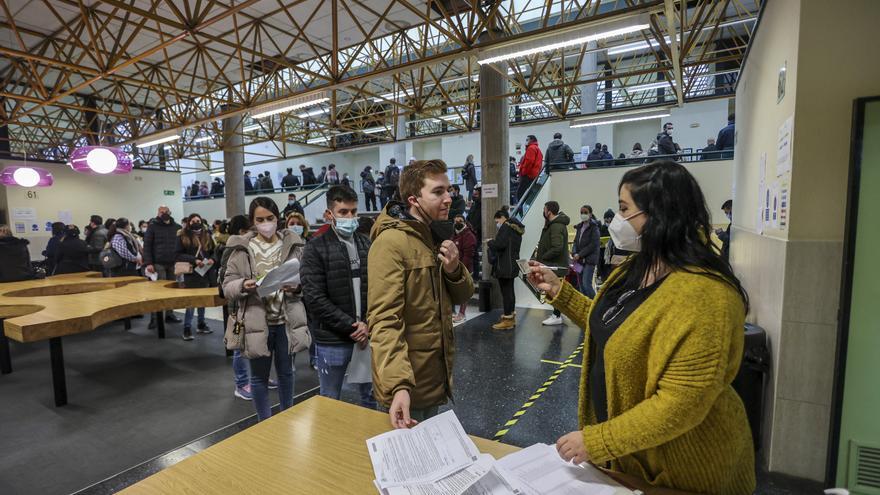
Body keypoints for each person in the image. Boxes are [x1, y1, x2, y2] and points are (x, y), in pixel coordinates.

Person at [526, 160, 755, 494]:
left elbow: (680, 404)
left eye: (624, 209)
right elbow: (619, 327)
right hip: (633, 458)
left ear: (660, 214)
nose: (618, 220)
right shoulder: (638, 265)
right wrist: (562, 292)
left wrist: (598, 440)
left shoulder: (706, 295)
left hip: (683, 469)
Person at [368, 159, 474, 428]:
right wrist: (398, 386)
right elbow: (384, 321)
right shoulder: (390, 243)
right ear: (414, 199)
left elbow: (463, 296)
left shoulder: (433, 236)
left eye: (448, 190)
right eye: (438, 192)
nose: (448, 198)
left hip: (432, 379)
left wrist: (453, 269)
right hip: (406, 388)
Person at [221, 197, 310, 421]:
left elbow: (309, 280)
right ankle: (265, 422)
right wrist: (243, 285)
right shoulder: (241, 249)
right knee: (259, 377)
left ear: (277, 218)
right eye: (260, 219)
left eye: (270, 218)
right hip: (256, 321)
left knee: (287, 373)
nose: (266, 223)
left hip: (285, 320)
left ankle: (286, 418)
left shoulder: (294, 244)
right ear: (252, 221)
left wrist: (298, 287)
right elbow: (227, 286)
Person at [302, 186, 375, 409]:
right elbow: (314, 298)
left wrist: (368, 324)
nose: (350, 217)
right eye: (343, 212)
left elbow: (377, 290)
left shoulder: (366, 244)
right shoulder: (315, 248)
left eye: (354, 212)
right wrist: (351, 326)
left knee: (371, 397)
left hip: (366, 336)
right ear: (329, 214)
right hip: (333, 339)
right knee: (330, 400)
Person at [216, 214, 253, 400]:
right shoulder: (233, 249)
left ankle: (254, 378)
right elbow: (227, 281)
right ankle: (241, 383)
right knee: (238, 345)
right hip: (236, 306)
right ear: (242, 231)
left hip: (250, 304)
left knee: (256, 343)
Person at [175, 213, 216, 341]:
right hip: (191, 273)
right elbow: (178, 255)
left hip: (205, 272)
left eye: (198, 220)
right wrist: (194, 260)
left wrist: (212, 259)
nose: (196, 222)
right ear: (188, 223)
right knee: (191, 302)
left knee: (202, 301)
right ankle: (187, 328)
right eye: (193, 221)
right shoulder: (182, 236)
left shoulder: (207, 235)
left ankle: (201, 324)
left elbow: (214, 252)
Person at [144, 206, 184, 329]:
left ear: (170, 212)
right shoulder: (152, 227)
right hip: (158, 263)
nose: (163, 214)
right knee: (157, 292)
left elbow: (181, 245)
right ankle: (155, 318)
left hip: (173, 263)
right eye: (161, 212)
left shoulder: (177, 227)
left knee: (172, 290)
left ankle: (170, 314)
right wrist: (148, 263)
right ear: (157, 213)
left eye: (165, 212)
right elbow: (147, 246)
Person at [487, 208, 524, 330]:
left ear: (502, 217)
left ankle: (507, 319)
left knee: (506, 293)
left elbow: (500, 245)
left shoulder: (506, 227)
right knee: (510, 292)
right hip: (512, 264)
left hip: (504, 265)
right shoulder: (516, 228)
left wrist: (490, 242)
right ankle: (510, 316)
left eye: (497, 221)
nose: (497, 223)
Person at [535, 201, 570, 326]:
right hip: (553, 264)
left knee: (555, 291)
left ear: (549, 211)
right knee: (554, 291)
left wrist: (543, 258)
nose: (544, 211)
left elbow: (557, 247)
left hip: (555, 265)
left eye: (545, 209)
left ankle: (557, 315)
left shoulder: (556, 226)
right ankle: (556, 314)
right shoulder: (554, 225)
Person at [451, 214, 476, 324]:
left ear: (464, 222)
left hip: (465, 268)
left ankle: (462, 313)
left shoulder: (469, 236)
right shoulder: (454, 234)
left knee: (464, 291)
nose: (457, 223)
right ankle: (453, 312)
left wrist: (462, 268)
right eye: (455, 221)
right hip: (453, 267)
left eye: (460, 221)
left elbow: (468, 255)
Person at [571, 205, 601, 298]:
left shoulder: (594, 228)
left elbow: (592, 245)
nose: (583, 214)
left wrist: (579, 254)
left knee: (586, 285)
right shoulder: (579, 227)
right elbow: (576, 241)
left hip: (589, 261)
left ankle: (594, 306)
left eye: (585, 212)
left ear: (590, 214)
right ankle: (585, 306)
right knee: (581, 286)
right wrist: (574, 253)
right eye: (581, 213)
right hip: (578, 261)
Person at [517, 135, 543, 201]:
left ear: (532, 140)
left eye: (527, 140)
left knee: (520, 193)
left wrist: (524, 172)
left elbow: (529, 162)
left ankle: (521, 210)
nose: (526, 141)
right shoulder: (538, 149)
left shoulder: (531, 148)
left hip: (528, 175)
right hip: (534, 174)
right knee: (529, 193)